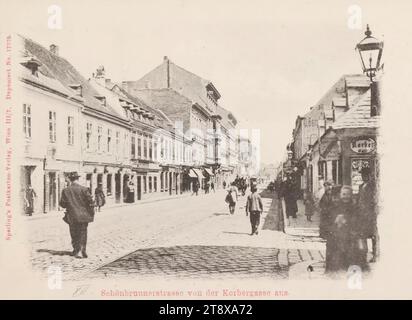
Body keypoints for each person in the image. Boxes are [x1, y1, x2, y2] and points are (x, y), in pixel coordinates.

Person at [325, 185, 365, 274]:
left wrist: (346, 222)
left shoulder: (355, 208)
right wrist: (335, 222)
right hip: (336, 242)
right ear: (340, 195)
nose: (346, 197)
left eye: (348, 194)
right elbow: (327, 223)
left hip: (350, 242)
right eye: (343, 194)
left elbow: (359, 224)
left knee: (350, 265)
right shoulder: (334, 207)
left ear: (351, 195)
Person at [59, 172, 95, 259]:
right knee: (83, 232)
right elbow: (90, 202)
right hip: (83, 215)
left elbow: (62, 204)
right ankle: (83, 250)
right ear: (77, 179)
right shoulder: (84, 189)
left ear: (70, 180)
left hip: (72, 215)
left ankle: (76, 249)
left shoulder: (66, 190)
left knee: (74, 232)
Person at [357, 167, 379, 263]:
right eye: (362, 175)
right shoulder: (361, 186)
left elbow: (374, 201)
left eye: (365, 175)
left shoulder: (373, 186)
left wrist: (373, 213)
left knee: (374, 235)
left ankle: (375, 255)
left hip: (370, 215)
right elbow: (359, 199)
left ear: (369, 176)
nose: (363, 177)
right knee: (362, 235)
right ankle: (364, 255)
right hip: (361, 215)